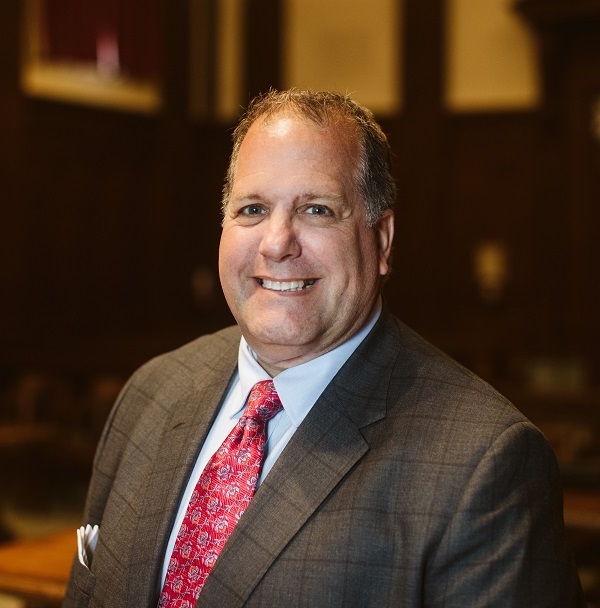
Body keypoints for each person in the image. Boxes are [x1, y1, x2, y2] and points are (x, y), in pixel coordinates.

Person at [63, 89, 585, 608]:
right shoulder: (150, 392)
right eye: (252, 209)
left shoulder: (485, 464)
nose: (276, 243)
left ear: (382, 239)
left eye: (317, 209)